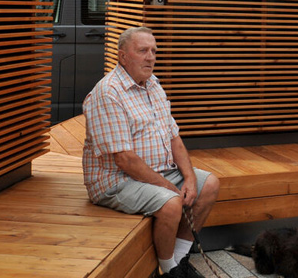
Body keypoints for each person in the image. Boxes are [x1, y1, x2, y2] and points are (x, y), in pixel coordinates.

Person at [82, 26, 220, 278]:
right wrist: (169, 186)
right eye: (142, 51)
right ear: (123, 56)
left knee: (208, 184)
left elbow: (174, 138)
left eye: (154, 51)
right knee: (171, 203)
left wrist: (189, 178)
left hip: (158, 172)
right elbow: (124, 159)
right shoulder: (108, 93)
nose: (150, 57)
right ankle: (168, 271)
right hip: (116, 181)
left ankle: (179, 259)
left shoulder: (153, 85)